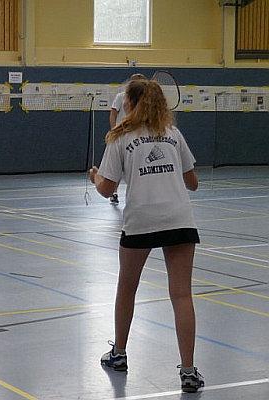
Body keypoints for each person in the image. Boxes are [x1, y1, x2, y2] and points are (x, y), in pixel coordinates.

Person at [89, 79, 204, 393]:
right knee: (181, 295)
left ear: (130, 103)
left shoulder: (120, 137)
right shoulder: (173, 135)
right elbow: (192, 183)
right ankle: (189, 372)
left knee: (127, 286)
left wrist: (96, 176)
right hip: (180, 218)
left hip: (142, 221)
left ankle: (119, 354)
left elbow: (107, 189)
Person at [108, 73, 148, 204]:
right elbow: (113, 114)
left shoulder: (145, 100)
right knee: (117, 168)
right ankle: (114, 192)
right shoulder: (121, 97)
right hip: (121, 136)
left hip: (137, 136)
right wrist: (114, 130)